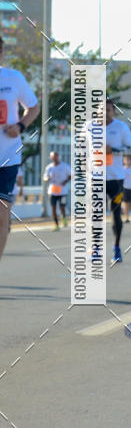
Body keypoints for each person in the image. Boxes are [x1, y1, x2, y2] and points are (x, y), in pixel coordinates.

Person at [0, 35, 39, 262]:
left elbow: (33, 107)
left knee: (2, 215)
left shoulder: (13, 78)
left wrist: (21, 125)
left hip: (8, 157)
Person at [105, 99, 131, 262]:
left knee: (116, 214)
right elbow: (81, 150)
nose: (104, 113)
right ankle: (95, 248)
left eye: (108, 110)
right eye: (100, 110)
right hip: (95, 179)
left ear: (114, 112)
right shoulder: (89, 128)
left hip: (116, 180)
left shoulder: (121, 127)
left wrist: (113, 150)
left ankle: (116, 248)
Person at [43, 151, 71, 230]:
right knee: (53, 208)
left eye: (55, 156)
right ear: (51, 158)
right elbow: (45, 177)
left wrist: (65, 181)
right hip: (53, 191)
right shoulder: (49, 167)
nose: (54, 158)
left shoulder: (65, 166)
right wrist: (47, 179)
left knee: (62, 206)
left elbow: (71, 175)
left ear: (58, 157)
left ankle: (64, 218)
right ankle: (56, 224)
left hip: (62, 191)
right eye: (53, 157)